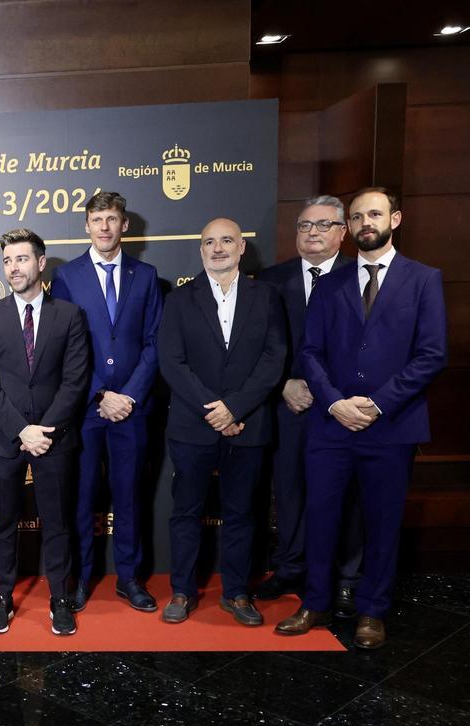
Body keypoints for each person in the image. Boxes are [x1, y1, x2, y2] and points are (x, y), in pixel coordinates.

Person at [276, 187, 447, 649]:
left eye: (374, 214)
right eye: (356, 217)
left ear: (396, 219)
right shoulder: (329, 282)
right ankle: (315, 602)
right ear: (348, 227)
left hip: (392, 425)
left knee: (382, 521)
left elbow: (431, 355)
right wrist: (335, 403)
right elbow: (311, 352)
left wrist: (376, 403)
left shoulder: (423, 279)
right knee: (322, 516)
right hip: (331, 424)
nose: (364, 222)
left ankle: (372, 611)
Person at [158, 218, 287, 626]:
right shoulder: (179, 299)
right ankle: (182, 590)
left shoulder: (266, 297)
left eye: (226, 240)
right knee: (186, 512)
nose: (217, 248)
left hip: (248, 424)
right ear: (200, 250)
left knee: (242, 513)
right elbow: (172, 363)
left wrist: (236, 408)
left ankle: (237, 592)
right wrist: (213, 409)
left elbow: (273, 359)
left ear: (241, 247)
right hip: (193, 425)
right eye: (209, 241)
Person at [49, 191, 163, 613]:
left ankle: (129, 578)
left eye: (112, 218)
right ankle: (79, 578)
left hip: (132, 408)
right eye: (97, 219)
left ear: (124, 224)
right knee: (81, 495)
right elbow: (62, 345)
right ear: (86, 225)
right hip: (84, 407)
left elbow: (154, 343)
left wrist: (128, 395)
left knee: (130, 495)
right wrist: (99, 392)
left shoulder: (146, 276)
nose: (104, 226)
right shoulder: (67, 276)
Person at [0, 229, 89, 636]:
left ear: (41, 263)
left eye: (21, 259)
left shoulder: (69, 316)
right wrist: (22, 430)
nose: (13, 268)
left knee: (57, 523)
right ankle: (2, 598)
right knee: (3, 522)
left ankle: (60, 599)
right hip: (6, 439)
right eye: (7, 261)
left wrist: (44, 431)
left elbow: (75, 381)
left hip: (55, 440)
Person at [254, 196, 361, 613]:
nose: (312, 233)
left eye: (322, 225)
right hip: (290, 407)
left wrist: (334, 393)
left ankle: (346, 577)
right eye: (304, 225)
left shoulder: (360, 276)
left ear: (342, 231)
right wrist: (282, 385)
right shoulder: (269, 279)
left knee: (346, 495)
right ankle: (289, 568)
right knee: (290, 490)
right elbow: (256, 345)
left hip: (344, 407)